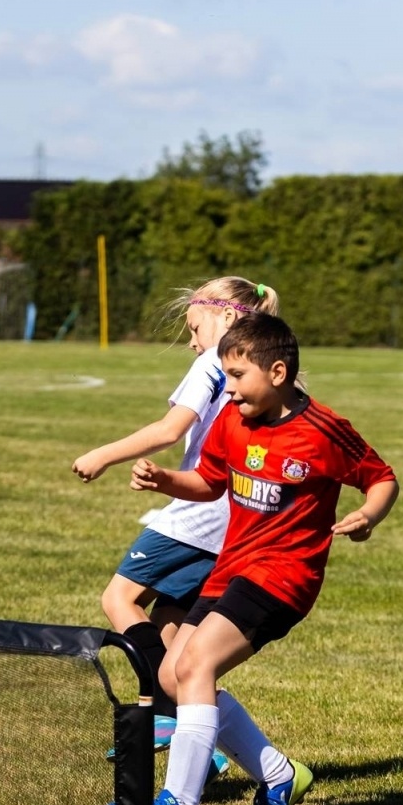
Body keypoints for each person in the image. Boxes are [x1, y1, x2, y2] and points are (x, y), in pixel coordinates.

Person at [130, 313, 400, 805]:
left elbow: (382, 478)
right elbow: (209, 483)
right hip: (232, 567)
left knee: (197, 663)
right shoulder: (233, 421)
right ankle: (280, 775)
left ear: (277, 373)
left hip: (285, 575)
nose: (228, 390)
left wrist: (369, 515)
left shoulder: (323, 430)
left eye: (237, 375)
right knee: (173, 678)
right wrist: (165, 480)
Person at [72, 278, 280, 712]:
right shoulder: (261, 369)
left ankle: (171, 707)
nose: (191, 341)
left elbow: (170, 430)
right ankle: (173, 723)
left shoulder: (212, 363)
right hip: (238, 513)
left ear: (226, 317)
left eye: (194, 327)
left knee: (119, 598)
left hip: (199, 511)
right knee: (168, 620)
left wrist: (102, 455)